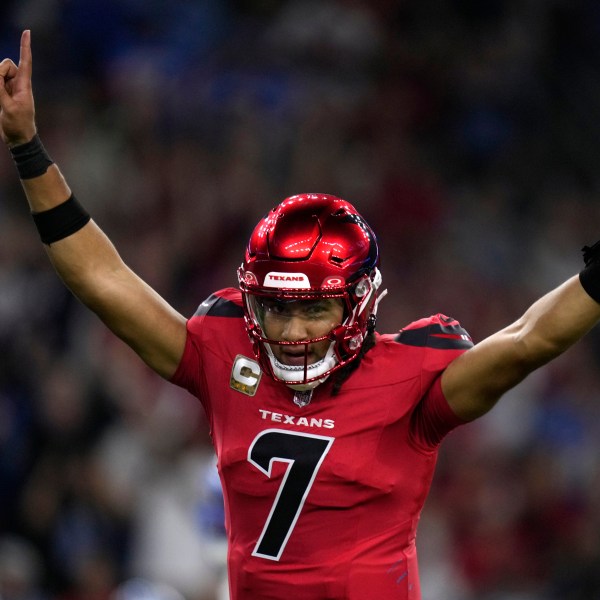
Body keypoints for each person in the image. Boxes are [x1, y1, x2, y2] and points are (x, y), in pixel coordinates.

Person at [2, 30, 600, 600]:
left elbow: (528, 340)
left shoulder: (412, 383)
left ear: (359, 301)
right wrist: (28, 149)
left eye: (314, 308)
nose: (291, 333)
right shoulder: (225, 352)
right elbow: (102, 280)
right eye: (275, 309)